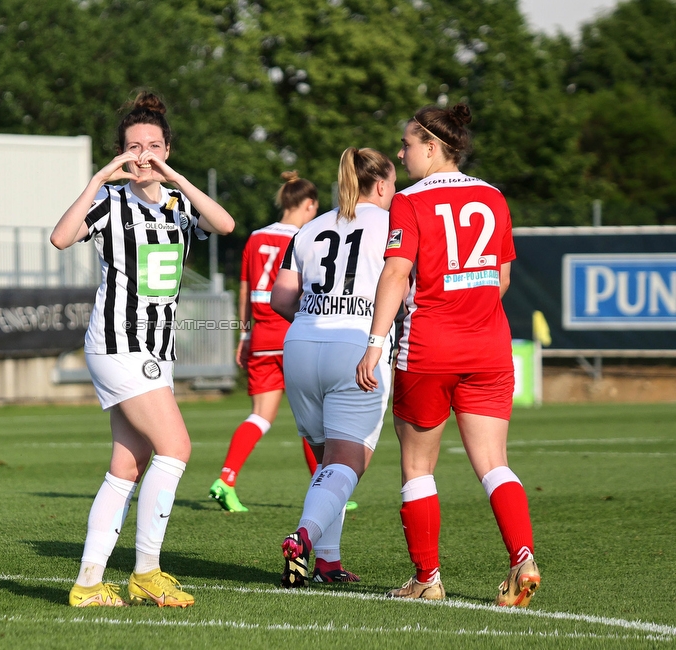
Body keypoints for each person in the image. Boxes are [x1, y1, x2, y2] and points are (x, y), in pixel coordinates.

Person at [50, 91, 235, 608]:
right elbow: (61, 237)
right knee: (177, 448)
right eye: (133, 147)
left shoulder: (178, 204)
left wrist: (175, 179)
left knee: (127, 467)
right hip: (119, 344)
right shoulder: (111, 202)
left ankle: (88, 583)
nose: (143, 155)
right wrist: (98, 177)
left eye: (153, 146)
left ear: (168, 150)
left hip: (155, 349)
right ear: (122, 154)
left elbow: (224, 225)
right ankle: (147, 571)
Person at [355, 103, 540, 607]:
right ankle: (523, 557)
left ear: (432, 146)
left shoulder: (410, 202)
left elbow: (395, 273)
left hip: (429, 349)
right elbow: (499, 280)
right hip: (489, 348)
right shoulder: (495, 197)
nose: (401, 152)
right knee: (494, 464)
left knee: (417, 467)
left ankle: (427, 578)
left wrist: (374, 343)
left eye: (407, 144)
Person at [270, 147, 397, 587]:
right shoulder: (394, 225)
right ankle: (303, 538)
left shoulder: (309, 228)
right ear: (381, 185)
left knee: (328, 462)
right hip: (359, 346)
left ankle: (326, 561)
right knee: (348, 462)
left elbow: (281, 299)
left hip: (301, 343)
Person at [209, 171, 321, 513]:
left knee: (260, 417)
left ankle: (226, 479)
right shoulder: (308, 235)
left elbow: (244, 289)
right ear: (309, 204)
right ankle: (327, 494)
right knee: (313, 419)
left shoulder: (256, 238)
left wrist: (244, 335)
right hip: (294, 331)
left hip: (261, 336)